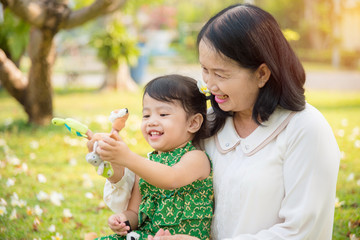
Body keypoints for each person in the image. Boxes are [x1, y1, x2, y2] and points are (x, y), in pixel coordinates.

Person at [102, 4, 340, 240]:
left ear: (262, 74)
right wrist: (114, 165)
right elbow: (157, 191)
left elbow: (302, 231)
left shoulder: (305, 129)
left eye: (221, 74)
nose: (209, 85)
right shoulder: (209, 123)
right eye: (205, 70)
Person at [90, 74, 213, 240]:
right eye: (146, 115)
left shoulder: (196, 158)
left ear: (193, 123)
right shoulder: (147, 165)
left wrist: (128, 158)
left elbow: (171, 178)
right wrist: (123, 220)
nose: (151, 122)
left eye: (163, 114)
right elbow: (135, 212)